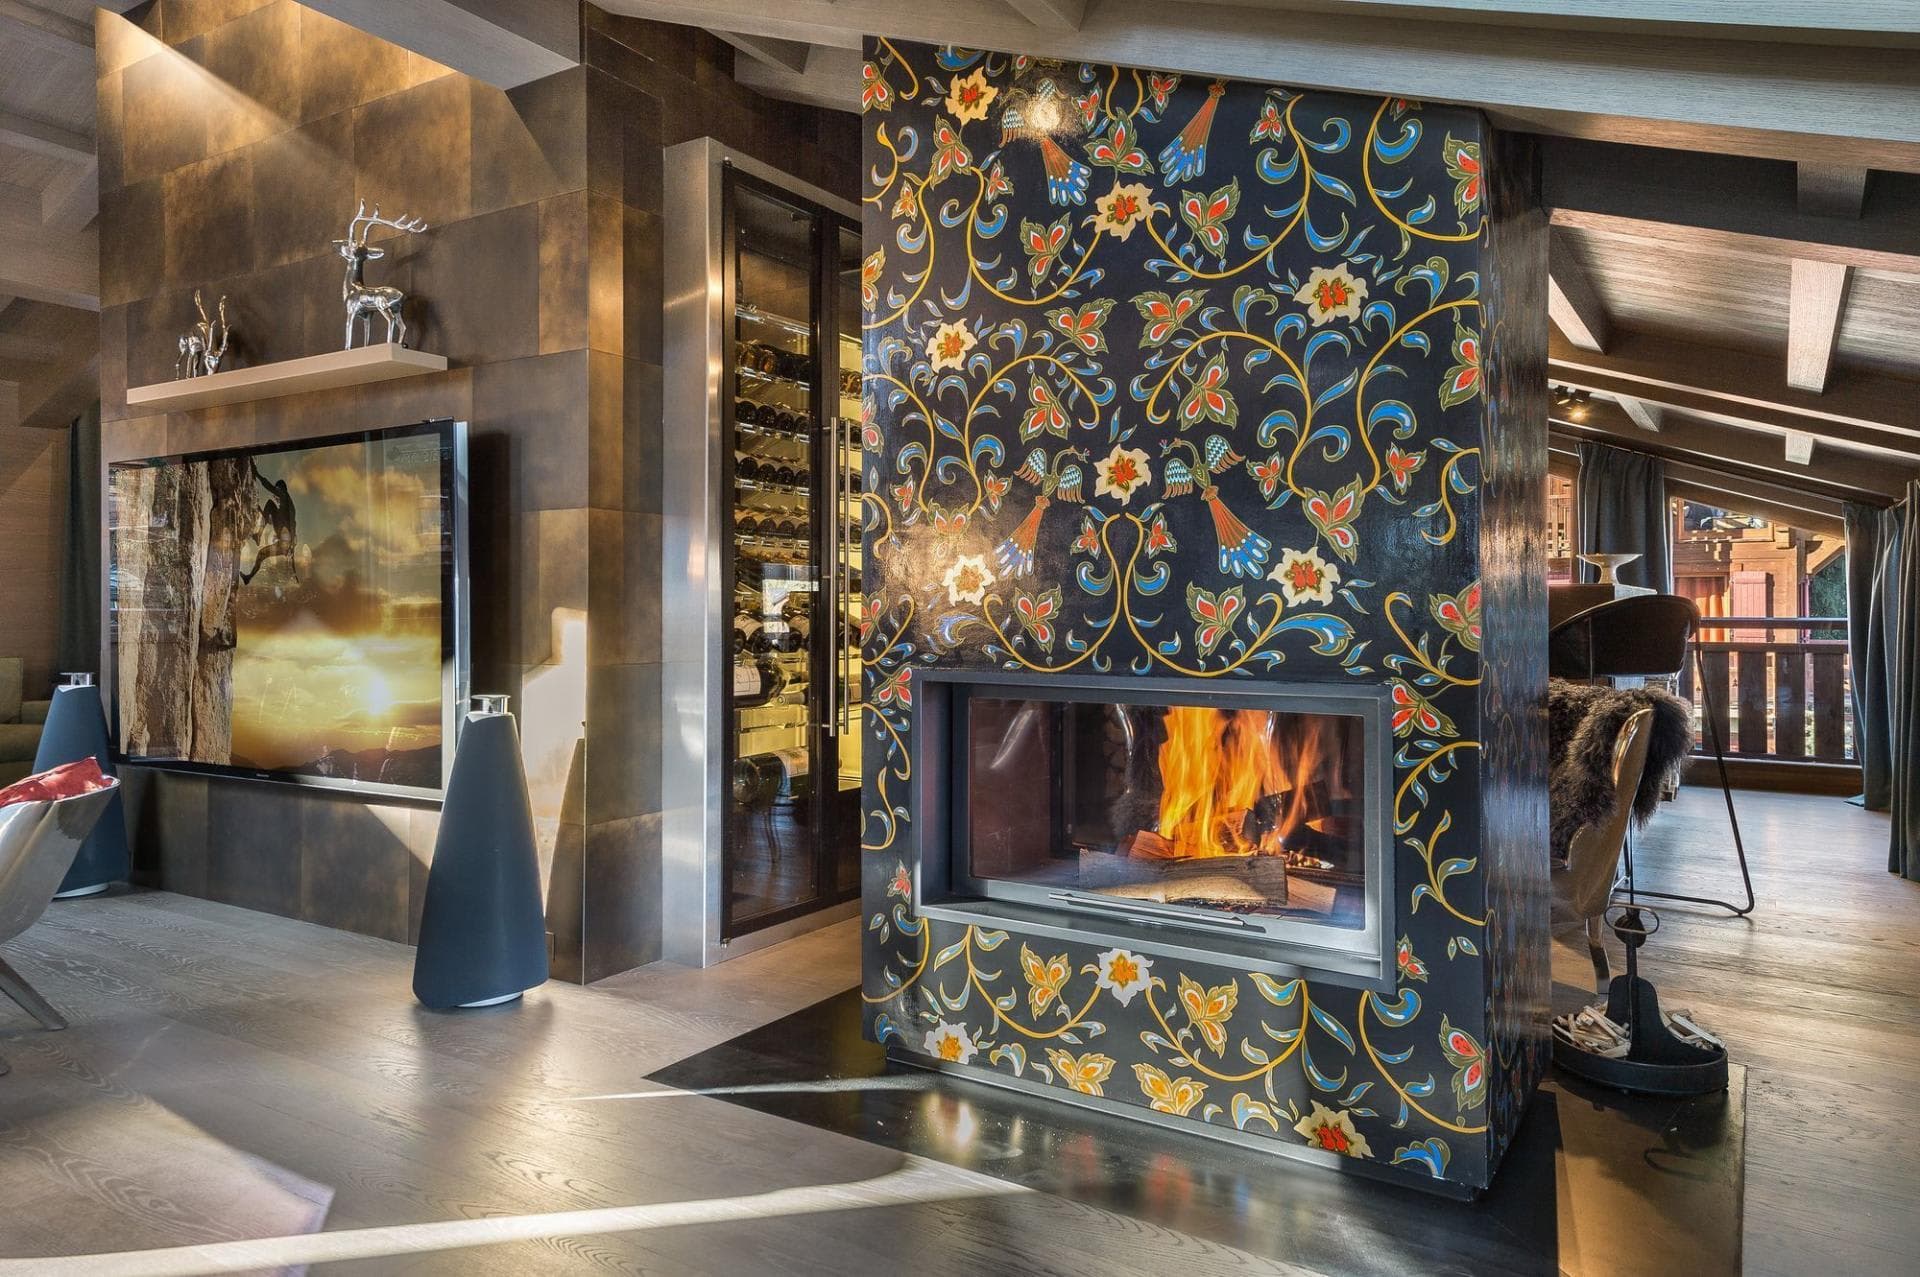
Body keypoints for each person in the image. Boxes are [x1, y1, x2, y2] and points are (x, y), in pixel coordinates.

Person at [240, 459, 299, 585]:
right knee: (261, 554)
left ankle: (258, 535)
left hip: (285, 543)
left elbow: (268, 486)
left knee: (270, 504)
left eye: (276, 493)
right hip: (286, 545)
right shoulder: (287, 507)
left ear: (281, 489)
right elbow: (274, 521)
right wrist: (259, 509)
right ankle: (249, 577)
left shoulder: (284, 496)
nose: (276, 497)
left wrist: (257, 474)